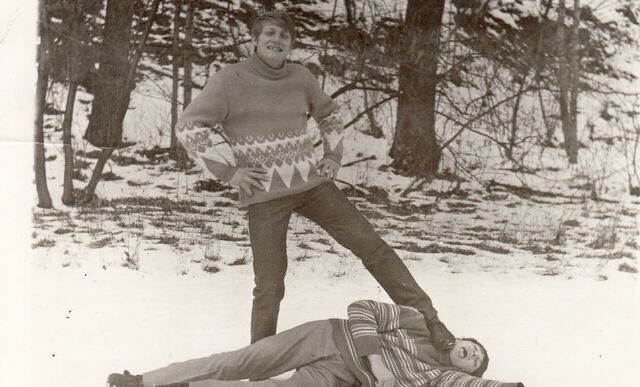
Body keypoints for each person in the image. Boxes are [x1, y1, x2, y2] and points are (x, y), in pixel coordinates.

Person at [174, 10, 454, 348]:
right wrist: (230, 171)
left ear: (290, 45)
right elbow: (189, 127)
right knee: (270, 285)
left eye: (284, 36)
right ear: (254, 40)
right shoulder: (228, 80)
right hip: (265, 195)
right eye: (271, 33)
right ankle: (260, 360)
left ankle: (431, 323)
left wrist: (332, 156)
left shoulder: (300, 76)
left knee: (372, 246)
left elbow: (329, 114)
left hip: (313, 187)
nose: (277, 40)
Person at [107, 300, 524, 387]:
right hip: (323, 334)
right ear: (463, 338)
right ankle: (141, 382)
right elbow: (361, 309)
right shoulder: (421, 322)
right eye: (474, 347)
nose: (473, 355)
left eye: (476, 362)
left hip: (338, 374)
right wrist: (378, 362)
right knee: (237, 363)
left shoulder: (436, 376)